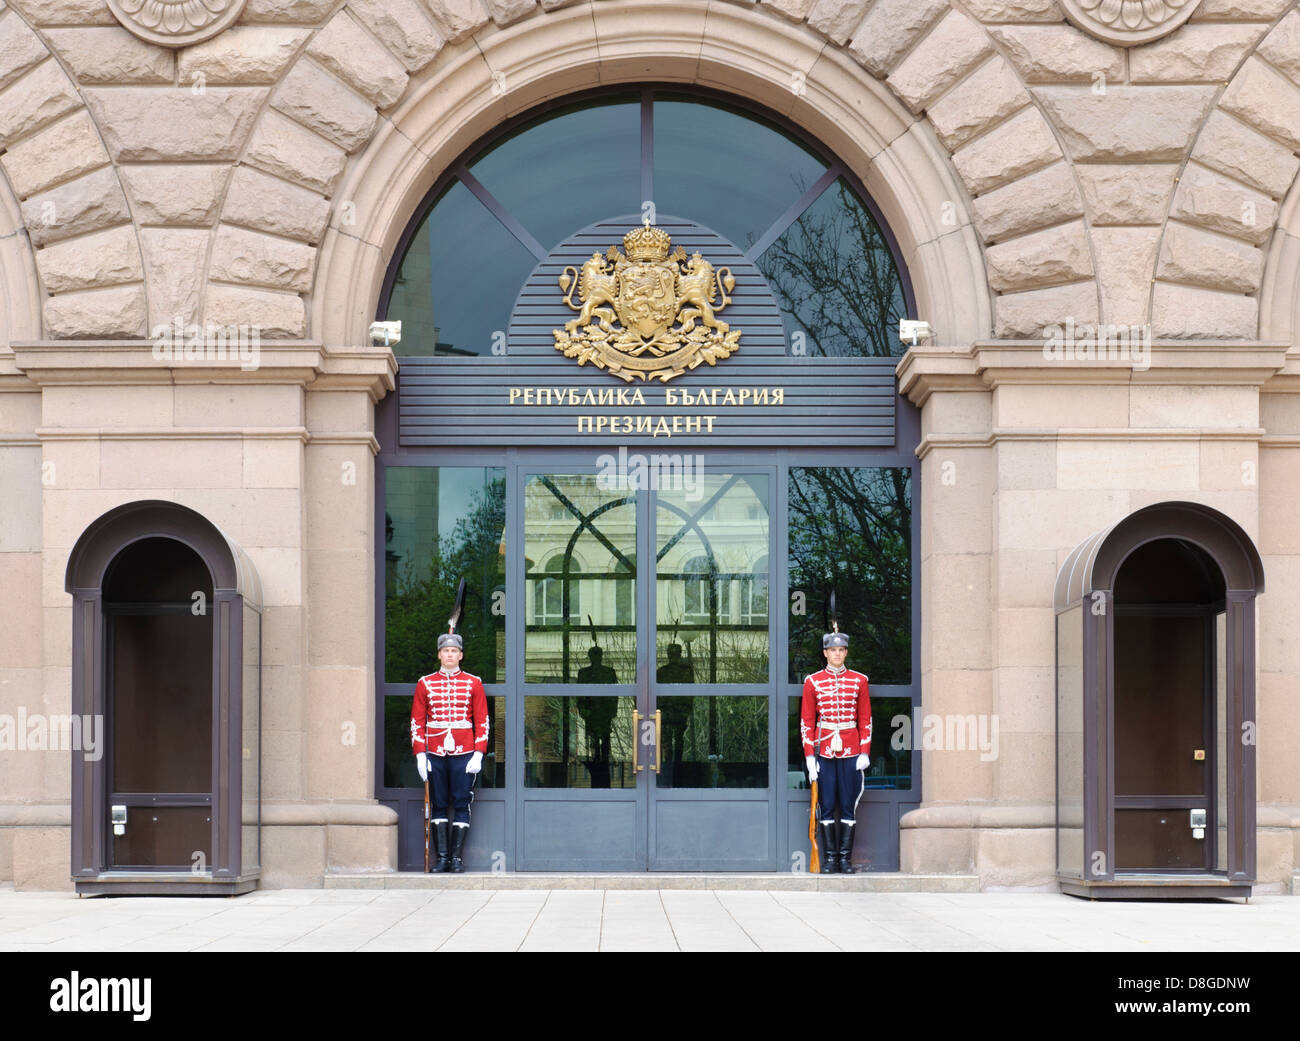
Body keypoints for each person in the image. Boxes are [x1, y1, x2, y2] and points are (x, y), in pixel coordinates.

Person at [411, 632, 489, 872]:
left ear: (460, 655)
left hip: (464, 751)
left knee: (462, 803)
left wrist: (478, 753)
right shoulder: (425, 683)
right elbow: (417, 720)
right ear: (439, 655)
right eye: (446, 651)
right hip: (434, 751)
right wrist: (420, 755)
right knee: (438, 803)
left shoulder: (473, 682)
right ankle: (442, 858)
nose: (450, 655)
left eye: (454, 651)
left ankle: (456, 859)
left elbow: (482, 720)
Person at [800, 630, 871, 873]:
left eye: (841, 650)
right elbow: (807, 722)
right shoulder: (813, 681)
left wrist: (865, 751)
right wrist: (810, 756)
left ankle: (845, 860)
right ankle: (830, 859)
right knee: (827, 804)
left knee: (848, 805)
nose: (837, 654)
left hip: (851, 750)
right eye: (833, 650)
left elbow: (865, 718)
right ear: (825, 653)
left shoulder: (859, 680)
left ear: (846, 652)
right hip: (825, 751)